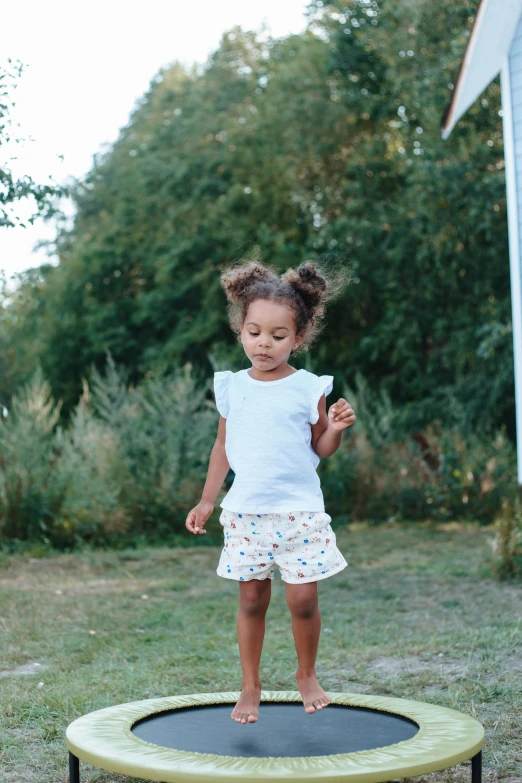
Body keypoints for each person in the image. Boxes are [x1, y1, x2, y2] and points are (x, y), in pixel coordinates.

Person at [185, 258, 356, 725]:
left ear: (297, 339)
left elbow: (321, 446)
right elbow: (223, 446)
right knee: (252, 600)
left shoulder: (307, 388)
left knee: (303, 601)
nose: (265, 343)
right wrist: (207, 499)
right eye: (255, 332)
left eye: (278, 336)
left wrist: (337, 429)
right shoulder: (232, 387)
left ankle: (306, 674)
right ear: (241, 329)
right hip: (247, 515)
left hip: (300, 512)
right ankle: (251, 685)